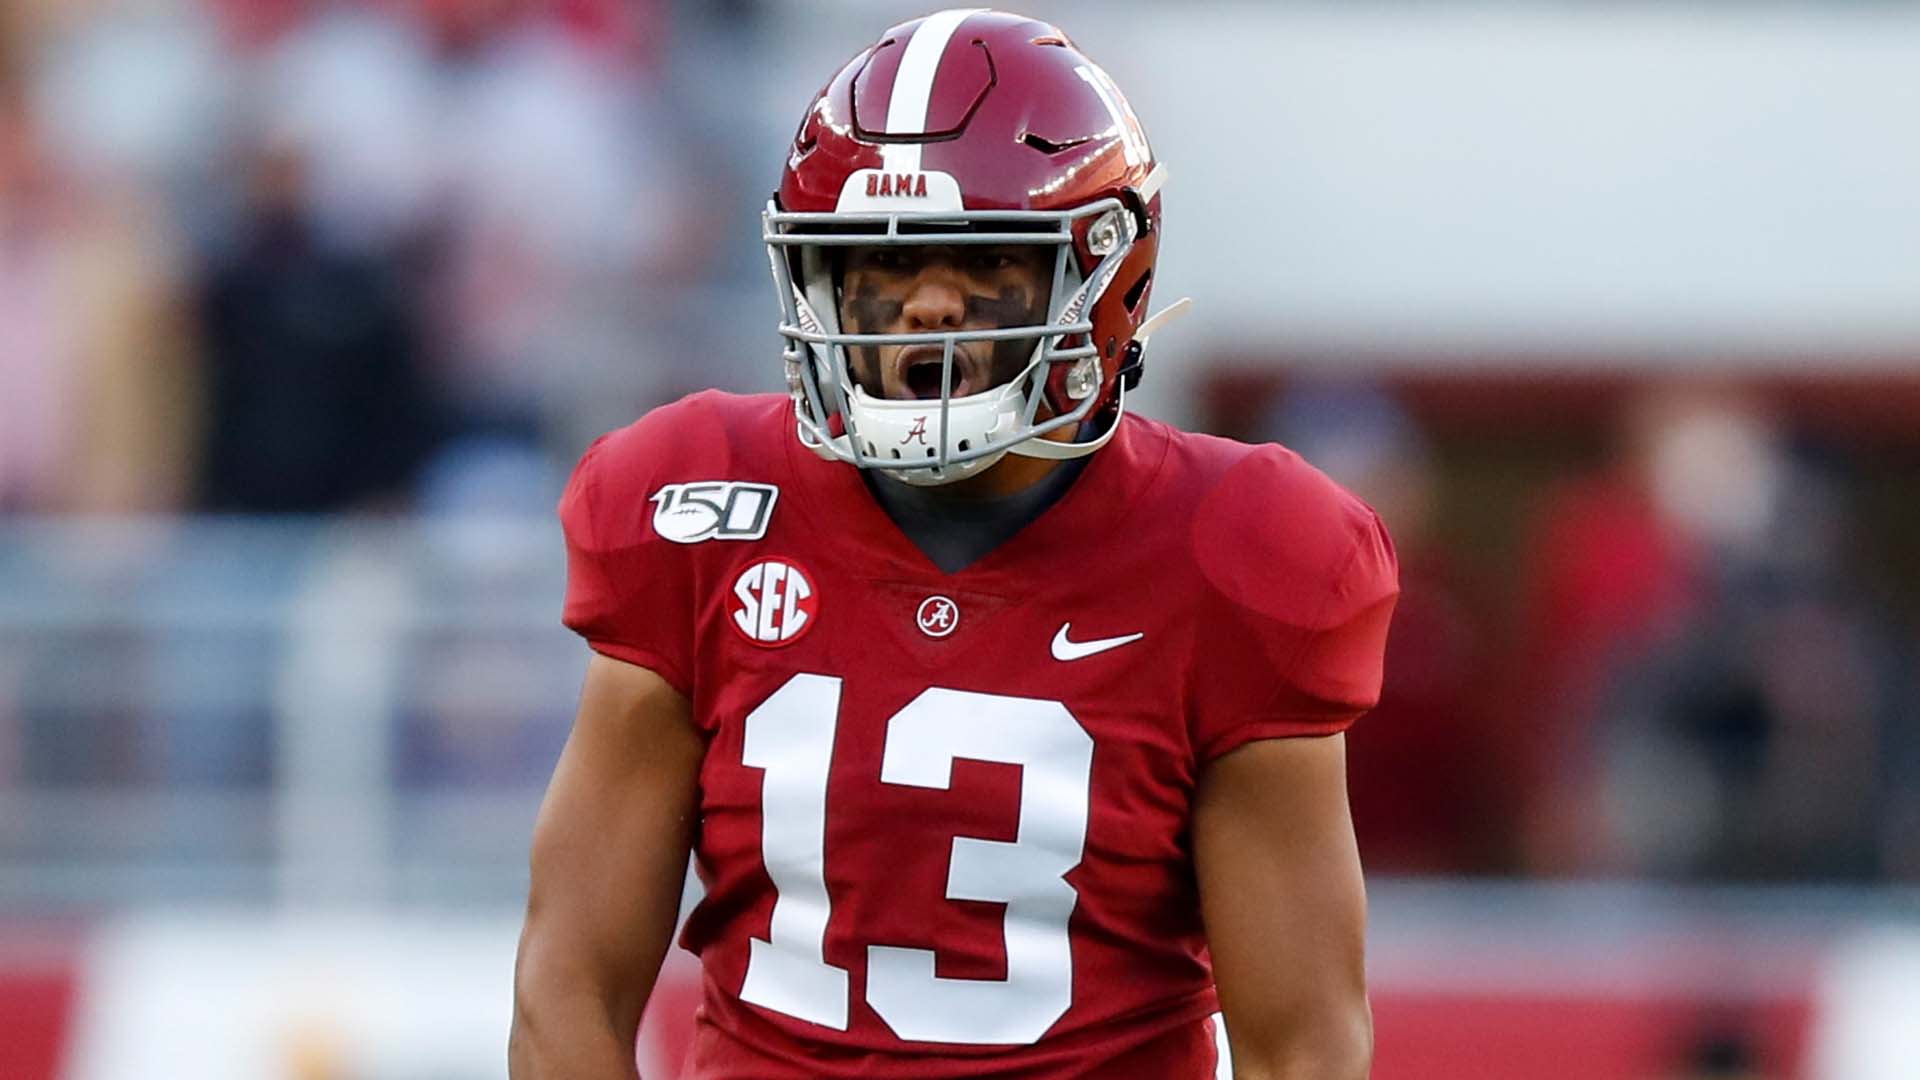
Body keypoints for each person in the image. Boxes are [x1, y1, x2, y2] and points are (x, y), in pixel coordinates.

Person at [511, 10, 1397, 1078]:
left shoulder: (1237, 549)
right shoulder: (699, 501)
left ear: (1102, 281)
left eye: (984, 265)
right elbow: (571, 983)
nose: (928, 307)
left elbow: (1304, 1045)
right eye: (879, 270)